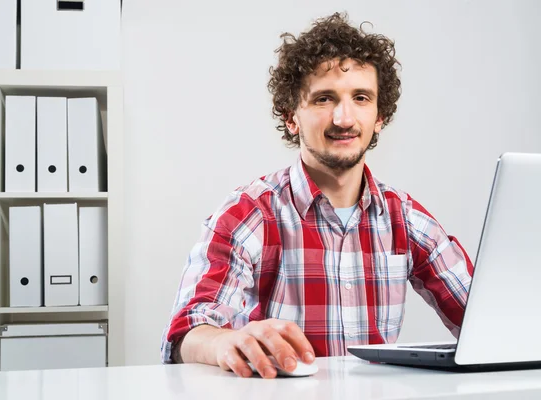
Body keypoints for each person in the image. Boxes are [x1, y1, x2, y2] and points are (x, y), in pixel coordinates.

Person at [160, 11, 473, 379]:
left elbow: (485, 320)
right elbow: (186, 334)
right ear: (292, 117)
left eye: (361, 97)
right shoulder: (250, 213)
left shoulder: (405, 217)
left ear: (379, 117)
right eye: (324, 99)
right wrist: (221, 342)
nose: (344, 118)